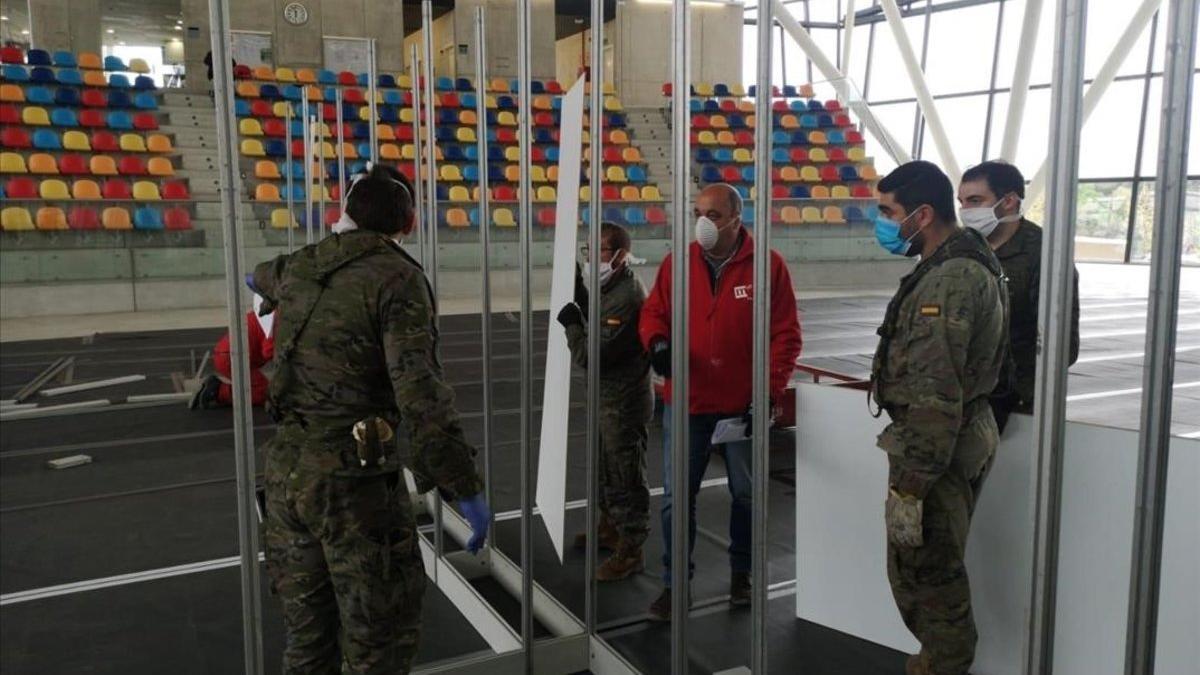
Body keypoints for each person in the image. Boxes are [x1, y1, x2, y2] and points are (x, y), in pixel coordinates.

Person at [250, 163, 491, 675]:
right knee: (377, 641)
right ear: (408, 224)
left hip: (285, 474)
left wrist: (269, 299)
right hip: (352, 486)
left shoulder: (302, 264)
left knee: (307, 638)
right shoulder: (398, 278)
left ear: (347, 215)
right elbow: (421, 397)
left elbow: (258, 274)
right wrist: (461, 486)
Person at [869, 161, 1008, 675]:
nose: (881, 222)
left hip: (933, 449)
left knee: (926, 569)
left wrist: (913, 484)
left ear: (922, 214)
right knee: (925, 563)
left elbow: (935, 392)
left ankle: (944, 664)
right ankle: (938, 658)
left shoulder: (950, 280)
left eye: (889, 212)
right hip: (948, 439)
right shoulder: (959, 262)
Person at [639, 183, 802, 620]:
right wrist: (655, 341)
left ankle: (742, 574)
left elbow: (786, 335)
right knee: (676, 498)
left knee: (747, 495)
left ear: (736, 219)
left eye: (712, 214)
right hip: (688, 401)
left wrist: (767, 392)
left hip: (741, 404)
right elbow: (654, 311)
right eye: (697, 212)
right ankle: (675, 585)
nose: (702, 222)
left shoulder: (767, 267)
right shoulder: (679, 263)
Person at [556, 222, 652, 581]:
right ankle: (609, 526)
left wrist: (571, 326)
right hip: (605, 397)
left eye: (599, 251)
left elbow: (591, 355)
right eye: (588, 251)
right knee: (602, 466)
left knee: (625, 473)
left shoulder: (628, 295)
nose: (591, 258)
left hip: (624, 401)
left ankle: (631, 548)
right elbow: (589, 303)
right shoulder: (605, 285)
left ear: (620, 256)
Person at [958, 160, 1080, 432]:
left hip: (1016, 405)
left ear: (1010, 201)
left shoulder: (1044, 254)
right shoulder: (962, 249)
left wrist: (1015, 390)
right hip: (961, 395)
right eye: (962, 202)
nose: (966, 211)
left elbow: (1061, 345)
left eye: (975, 200)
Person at [190, 298, 274, 409]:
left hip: (226, 353)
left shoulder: (264, 312)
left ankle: (216, 389)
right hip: (231, 357)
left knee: (261, 386)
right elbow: (268, 352)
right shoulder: (275, 320)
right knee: (264, 391)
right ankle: (217, 391)